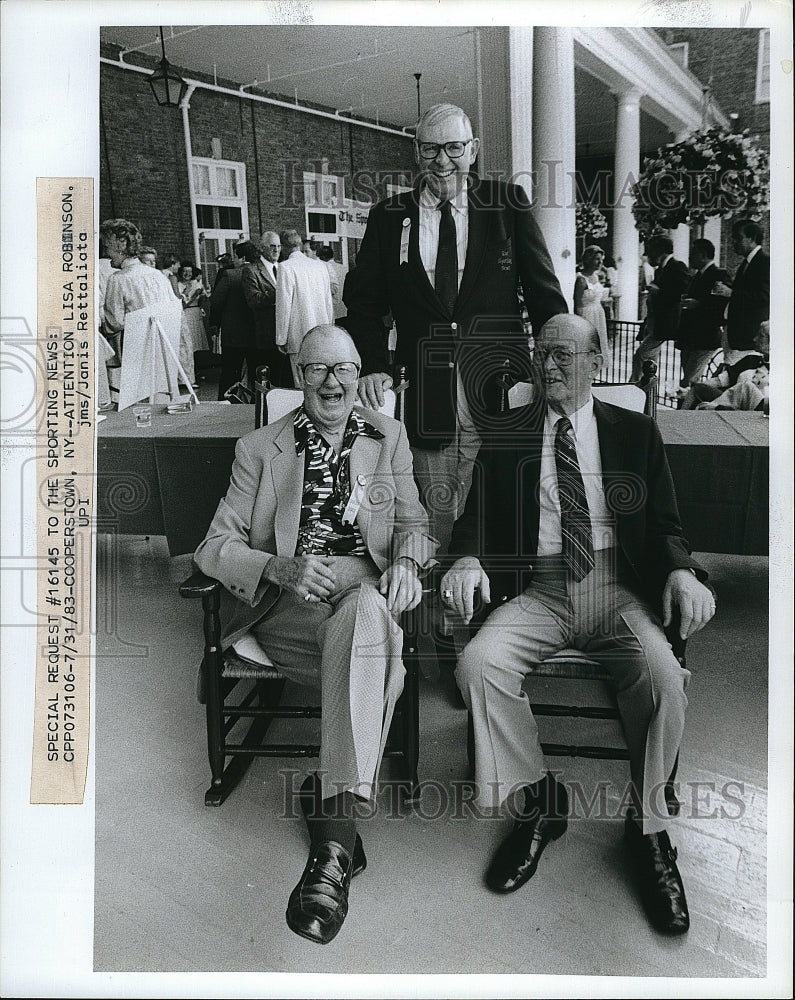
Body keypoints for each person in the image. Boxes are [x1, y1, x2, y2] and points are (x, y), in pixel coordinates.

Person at [441, 313, 716, 936]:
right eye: (543, 354)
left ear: (596, 362)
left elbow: (669, 527)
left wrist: (681, 573)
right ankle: (541, 800)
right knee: (478, 665)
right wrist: (465, 558)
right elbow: (473, 520)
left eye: (566, 354)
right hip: (537, 590)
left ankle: (647, 830)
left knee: (664, 678)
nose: (550, 364)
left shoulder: (634, 432)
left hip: (617, 590)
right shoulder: (508, 432)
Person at [194, 325, 437, 945]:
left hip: (362, 598)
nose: (332, 382)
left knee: (363, 617)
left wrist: (406, 562)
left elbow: (413, 521)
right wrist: (278, 565)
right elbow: (212, 549)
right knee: (369, 635)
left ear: (360, 375)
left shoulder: (387, 440)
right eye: (317, 370)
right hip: (287, 611)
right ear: (297, 376)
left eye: (344, 370)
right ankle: (337, 827)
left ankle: (330, 856)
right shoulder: (260, 449)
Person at [343, 102, 567, 555]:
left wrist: (560, 364)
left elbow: (544, 294)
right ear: (415, 151)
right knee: (432, 504)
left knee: (500, 494)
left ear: (474, 150)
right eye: (430, 149)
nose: (442, 160)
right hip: (426, 387)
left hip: (502, 385)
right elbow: (362, 303)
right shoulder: (389, 217)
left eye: (454, 148)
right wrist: (371, 363)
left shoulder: (507, 205)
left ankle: (495, 596)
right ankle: (438, 604)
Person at [102, 218, 183, 390]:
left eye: (107, 247)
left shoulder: (118, 279)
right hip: (164, 351)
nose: (107, 253)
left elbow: (113, 324)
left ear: (120, 245)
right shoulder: (158, 275)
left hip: (135, 352)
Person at [275, 228, 334, 385]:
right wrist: (330, 328)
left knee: (301, 381)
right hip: (321, 332)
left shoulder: (286, 267)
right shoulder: (320, 266)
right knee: (321, 377)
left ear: (283, 246)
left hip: (297, 333)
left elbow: (284, 305)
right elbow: (328, 301)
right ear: (300, 244)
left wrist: (281, 337)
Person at [631, 234, 690, 383]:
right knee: (649, 362)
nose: (647, 255)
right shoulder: (660, 270)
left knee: (641, 355)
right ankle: (646, 390)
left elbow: (683, 292)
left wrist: (659, 292)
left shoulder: (677, 266)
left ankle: (634, 387)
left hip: (667, 322)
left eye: (650, 251)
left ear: (660, 251)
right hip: (657, 323)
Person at [675, 238, 733, 389]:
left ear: (703, 255)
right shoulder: (697, 275)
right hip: (690, 338)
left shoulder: (718, 274)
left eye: (693, 253)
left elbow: (721, 306)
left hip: (705, 338)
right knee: (688, 379)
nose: (689, 257)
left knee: (688, 382)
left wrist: (699, 304)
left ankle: (685, 410)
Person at [712, 219, 770, 364]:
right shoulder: (746, 263)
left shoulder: (764, 262)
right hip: (735, 333)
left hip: (746, 336)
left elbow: (764, 296)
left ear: (751, 239)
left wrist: (731, 293)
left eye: (738, 237)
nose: (734, 242)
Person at [680, 321, 769, 413]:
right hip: (729, 402)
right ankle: (681, 417)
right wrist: (689, 391)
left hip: (752, 413)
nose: (755, 339)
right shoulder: (751, 359)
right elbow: (720, 380)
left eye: (761, 336)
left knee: (745, 387)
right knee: (698, 389)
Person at [240, 232, 293, 388]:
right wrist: (281, 293)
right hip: (266, 337)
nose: (276, 250)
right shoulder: (251, 270)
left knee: (286, 382)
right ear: (262, 248)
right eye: (272, 247)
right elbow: (253, 299)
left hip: (286, 334)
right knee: (268, 382)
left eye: (278, 246)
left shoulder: (284, 268)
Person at [210, 243, 258, 399]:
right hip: (257, 334)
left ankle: (226, 405)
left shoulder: (229, 276)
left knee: (230, 374)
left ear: (242, 258)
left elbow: (216, 302)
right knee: (255, 375)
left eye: (235, 256)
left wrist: (215, 323)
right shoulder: (262, 273)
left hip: (234, 334)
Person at [176, 262, 208, 389]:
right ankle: (188, 375)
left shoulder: (196, 283)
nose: (187, 274)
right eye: (185, 271)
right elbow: (182, 304)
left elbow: (204, 298)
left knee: (197, 345)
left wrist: (201, 297)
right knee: (188, 346)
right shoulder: (178, 285)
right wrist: (191, 294)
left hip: (196, 313)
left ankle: (198, 373)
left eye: (189, 271)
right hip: (186, 314)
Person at [573, 245, 608, 356]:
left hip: (598, 314)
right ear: (588, 260)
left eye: (601, 260)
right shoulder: (581, 280)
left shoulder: (596, 277)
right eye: (597, 259)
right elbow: (577, 304)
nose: (600, 263)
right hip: (587, 316)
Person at [316, 243, 347, 320]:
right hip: (344, 310)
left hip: (332, 311)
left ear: (322, 257)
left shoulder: (323, 268)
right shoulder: (344, 268)